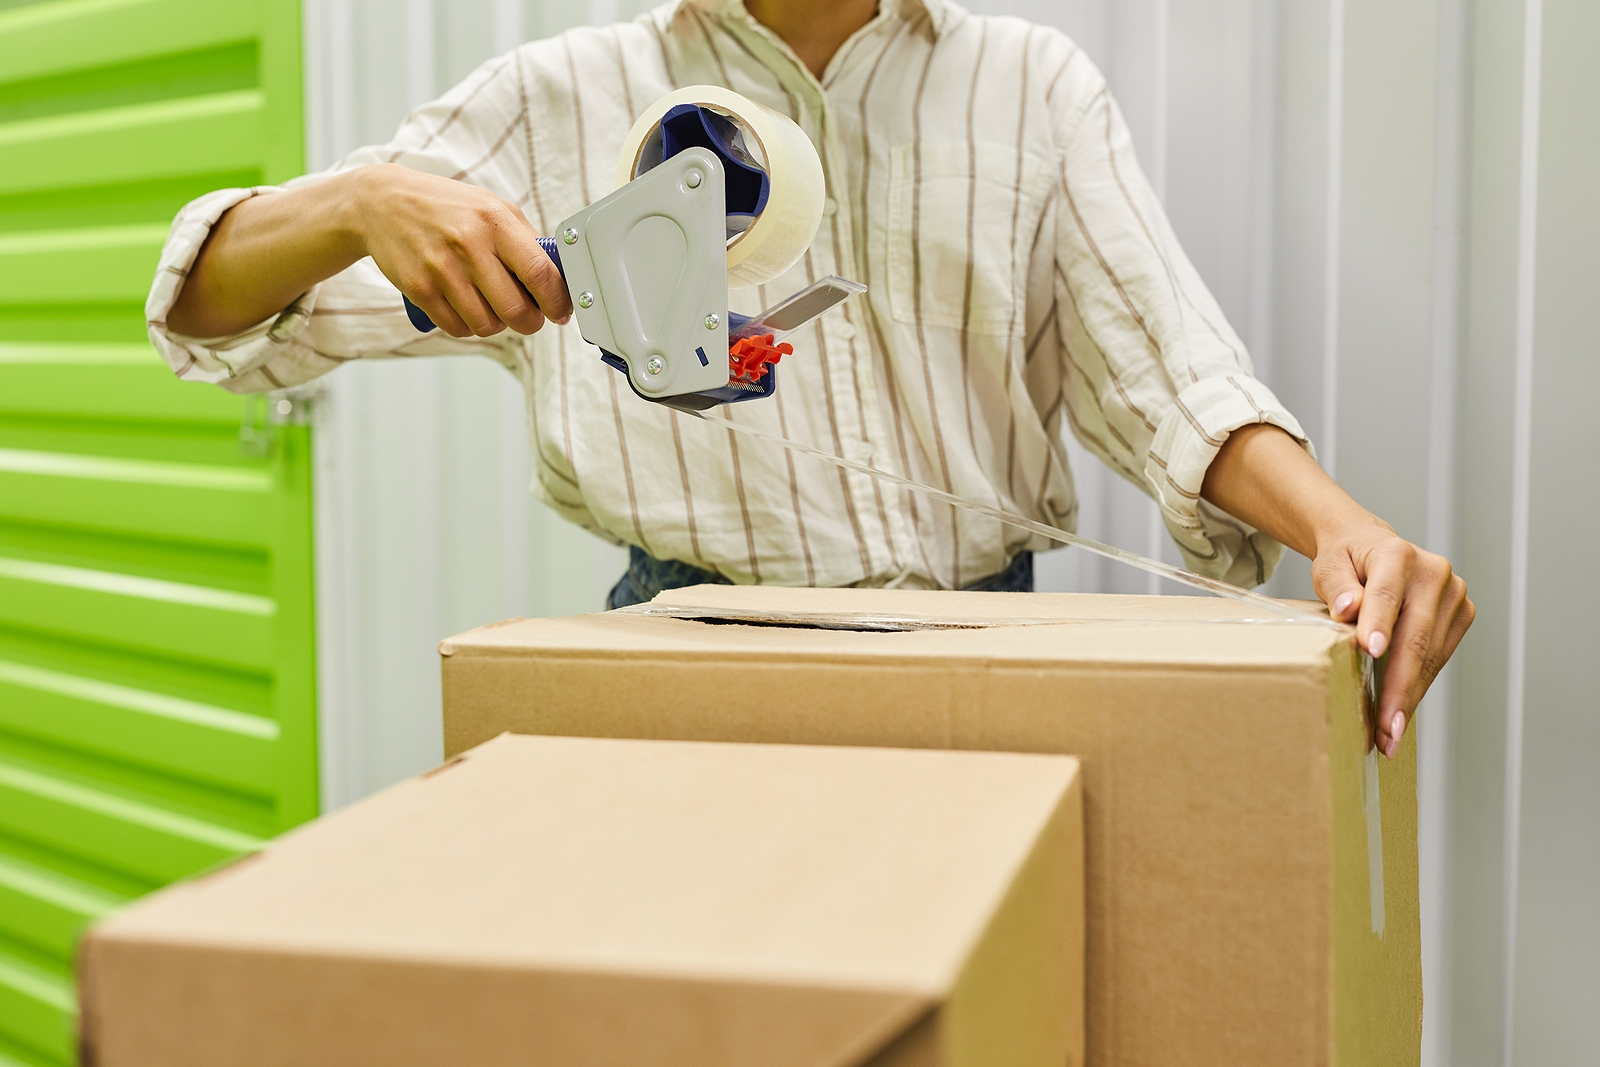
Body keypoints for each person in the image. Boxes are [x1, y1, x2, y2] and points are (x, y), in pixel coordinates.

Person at [150, 0, 1472, 758]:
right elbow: (213, 317)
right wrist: (355, 201)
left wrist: (1344, 531)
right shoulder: (553, 96)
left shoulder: (1030, 85)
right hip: (676, 679)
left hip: (997, 671)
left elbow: (1174, 378)